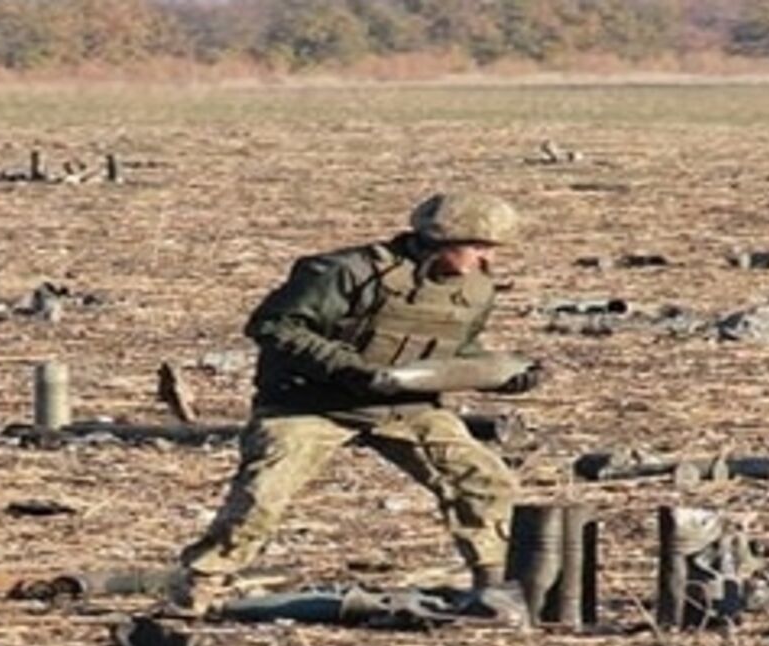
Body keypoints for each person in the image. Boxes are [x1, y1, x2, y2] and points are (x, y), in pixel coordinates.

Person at [170, 192, 539, 615]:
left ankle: (492, 589)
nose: (487, 261)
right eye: (478, 248)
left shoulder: (475, 290)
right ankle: (199, 586)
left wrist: (503, 373)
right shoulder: (347, 272)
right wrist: (348, 368)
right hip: (310, 403)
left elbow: (457, 350)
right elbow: (274, 325)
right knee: (262, 496)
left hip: (404, 407)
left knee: (483, 480)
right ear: (441, 239)